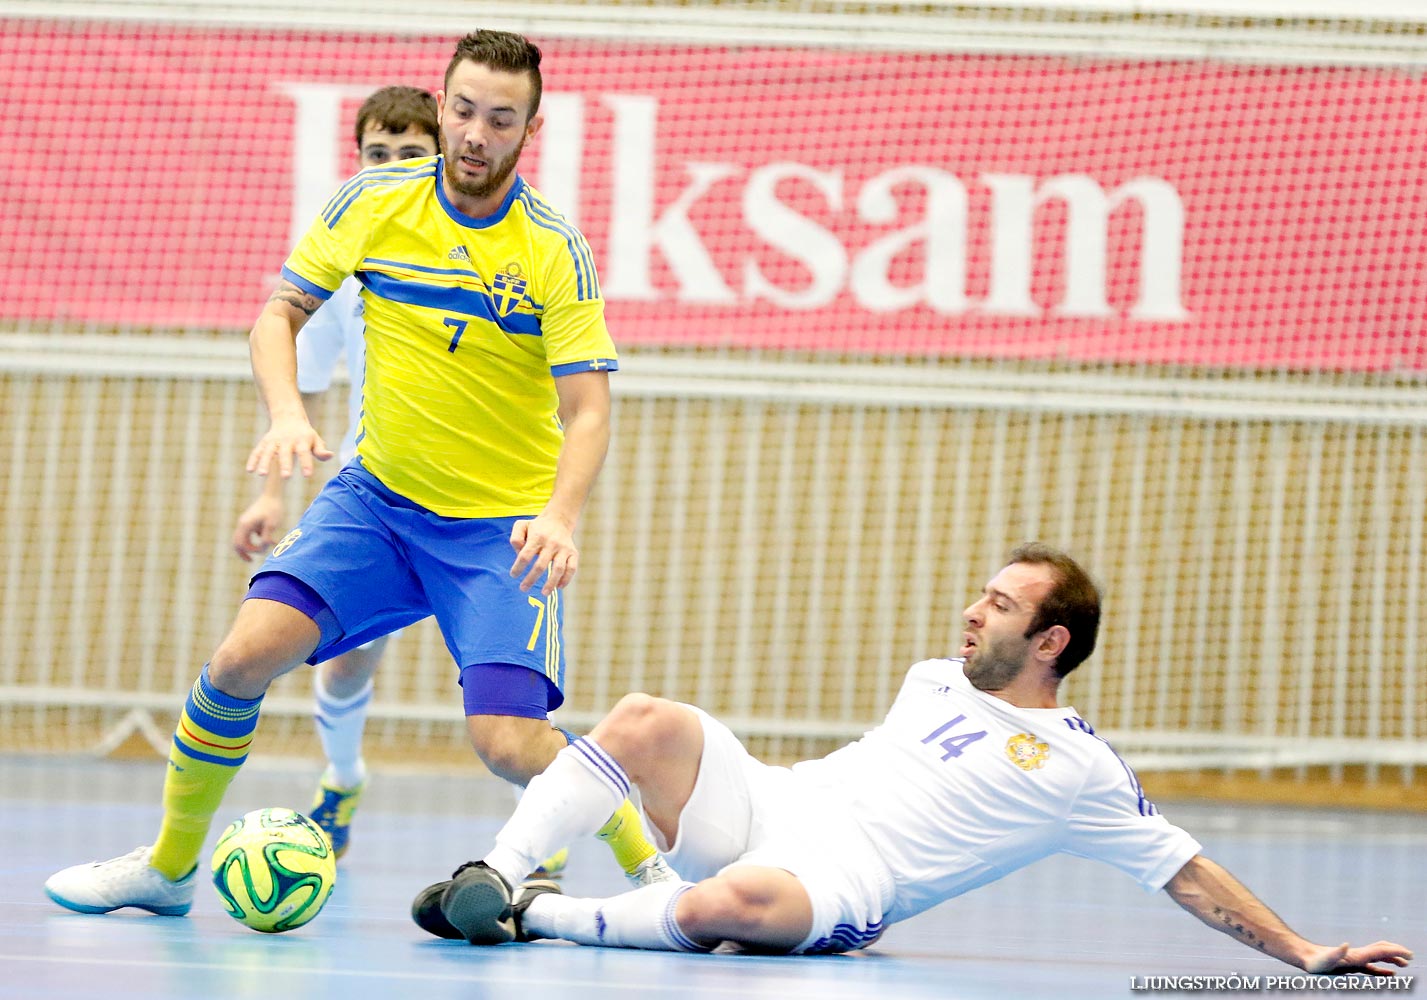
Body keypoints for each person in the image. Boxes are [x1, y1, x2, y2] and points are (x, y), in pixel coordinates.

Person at [45, 28, 667, 919]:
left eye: (501, 118)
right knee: (237, 661)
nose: (475, 133)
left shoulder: (551, 249)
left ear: (528, 130)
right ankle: (171, 868)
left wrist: (561, 516)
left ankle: (650, 870)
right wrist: (290, 417)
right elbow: (278, 316)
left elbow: (591, 408)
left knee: (509, 744)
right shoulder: (374, 203)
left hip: (499, 531)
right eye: (462, 110)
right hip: (374, 503)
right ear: (441, 105)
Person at [408, 543, 1413, 979]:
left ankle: (531, 919)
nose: (974, 611)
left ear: (1051, 642)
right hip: (775, 801)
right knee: (643, 717)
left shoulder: (1076, 770)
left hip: (843, 880)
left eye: (1002, 605)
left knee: (732, 909)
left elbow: (1183, 869)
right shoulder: (933, 676)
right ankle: (497, 872)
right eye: (982, 594)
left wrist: (1305, 952)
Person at [230, 83, 439, 860]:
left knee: (504, 689)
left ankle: (543, 833)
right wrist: (271, 490)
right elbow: (303, 379)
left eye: (409, 154)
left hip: (487, 505)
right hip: (378, 496)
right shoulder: (345, 261)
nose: (388, 167)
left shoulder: (495, 255)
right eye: (375, 154)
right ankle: (343, 776)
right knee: (344, 660)